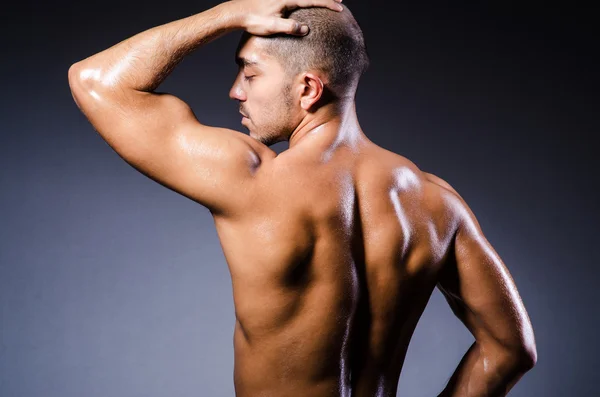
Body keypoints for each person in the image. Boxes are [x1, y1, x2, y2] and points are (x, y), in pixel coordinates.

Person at [67, 0, 537, 395]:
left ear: (308, 89)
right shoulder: (438, 204)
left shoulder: (253, 178)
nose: (236, 92)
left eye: (250, 74)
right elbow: (510, 349)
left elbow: (94, 80)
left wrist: (230, 12)